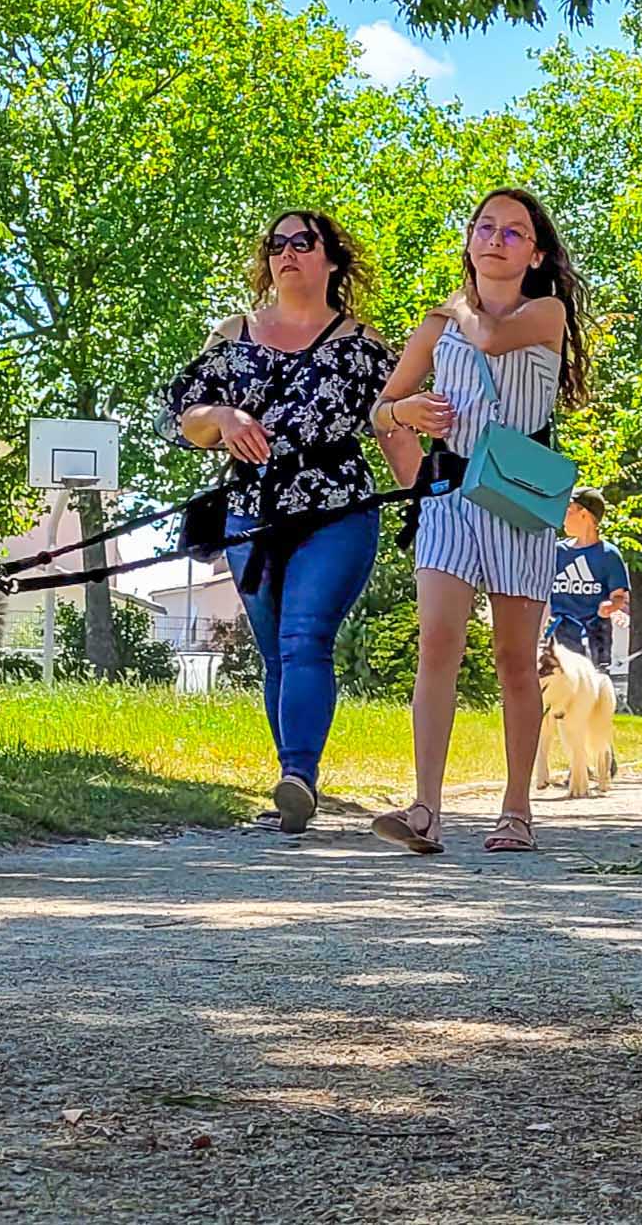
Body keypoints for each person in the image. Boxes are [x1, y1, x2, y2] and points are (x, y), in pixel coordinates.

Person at [166, 210, 417, 834]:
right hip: (251, 514)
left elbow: (394, 431)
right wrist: (223, 419)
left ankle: (300, 773)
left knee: (306, 637)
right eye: (276, 244)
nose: (287, 253)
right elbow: (184, 420)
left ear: (330, 258)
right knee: (277, 650)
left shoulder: (366, 347)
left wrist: (430, 503)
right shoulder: (230, 336)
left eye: (302, 242)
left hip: (337, 510)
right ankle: (292, 783)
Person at [363, 188, 592, 855]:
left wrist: (457, 303)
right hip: (448, 498)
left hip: (517, 498)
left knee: (514, 659)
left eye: (512, 233)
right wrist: (405, 418)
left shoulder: (542, 311)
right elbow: (382, 410)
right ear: (468, 238)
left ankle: (516, 809)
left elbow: (489, 336)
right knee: (437, 643)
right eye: (483, 227)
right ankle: (424, 809)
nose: (494, 239)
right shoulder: (434, 327)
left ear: (536, 253)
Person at [548, 488, 630, 668]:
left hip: (595, 634)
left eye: (568, 510)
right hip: (560, 631)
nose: (563, 517)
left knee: (595, 683)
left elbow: (619, 597)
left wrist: (610, 606)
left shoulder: (608, 555)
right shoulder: (556, 552)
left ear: (584, 514)